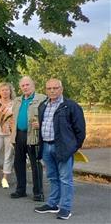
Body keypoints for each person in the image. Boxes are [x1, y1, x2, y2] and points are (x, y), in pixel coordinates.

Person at [34, 79, 86, 220]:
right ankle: (52, 204)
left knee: (65, 179)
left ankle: (65, 208)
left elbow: (80, 130)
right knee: (52, 177)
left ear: (61, 89)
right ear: (46, 90)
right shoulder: (42, 106)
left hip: (63, 148)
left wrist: (73, 147)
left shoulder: (70, 106)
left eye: (55, 88)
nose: (52, 90)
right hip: (46, 146)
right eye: (49, 88)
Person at [10, 76, 47, 201]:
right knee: (18, 164)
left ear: (33, 85)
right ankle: (20, 190)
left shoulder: (42, 99)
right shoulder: (17, 100)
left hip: (33, 136)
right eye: (23, 85)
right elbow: (13, 118)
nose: (25, 87)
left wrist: (41, 123)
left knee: (35, 165)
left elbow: (49, 116)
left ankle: (38, 193)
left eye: (27, 85)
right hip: (18, 135)